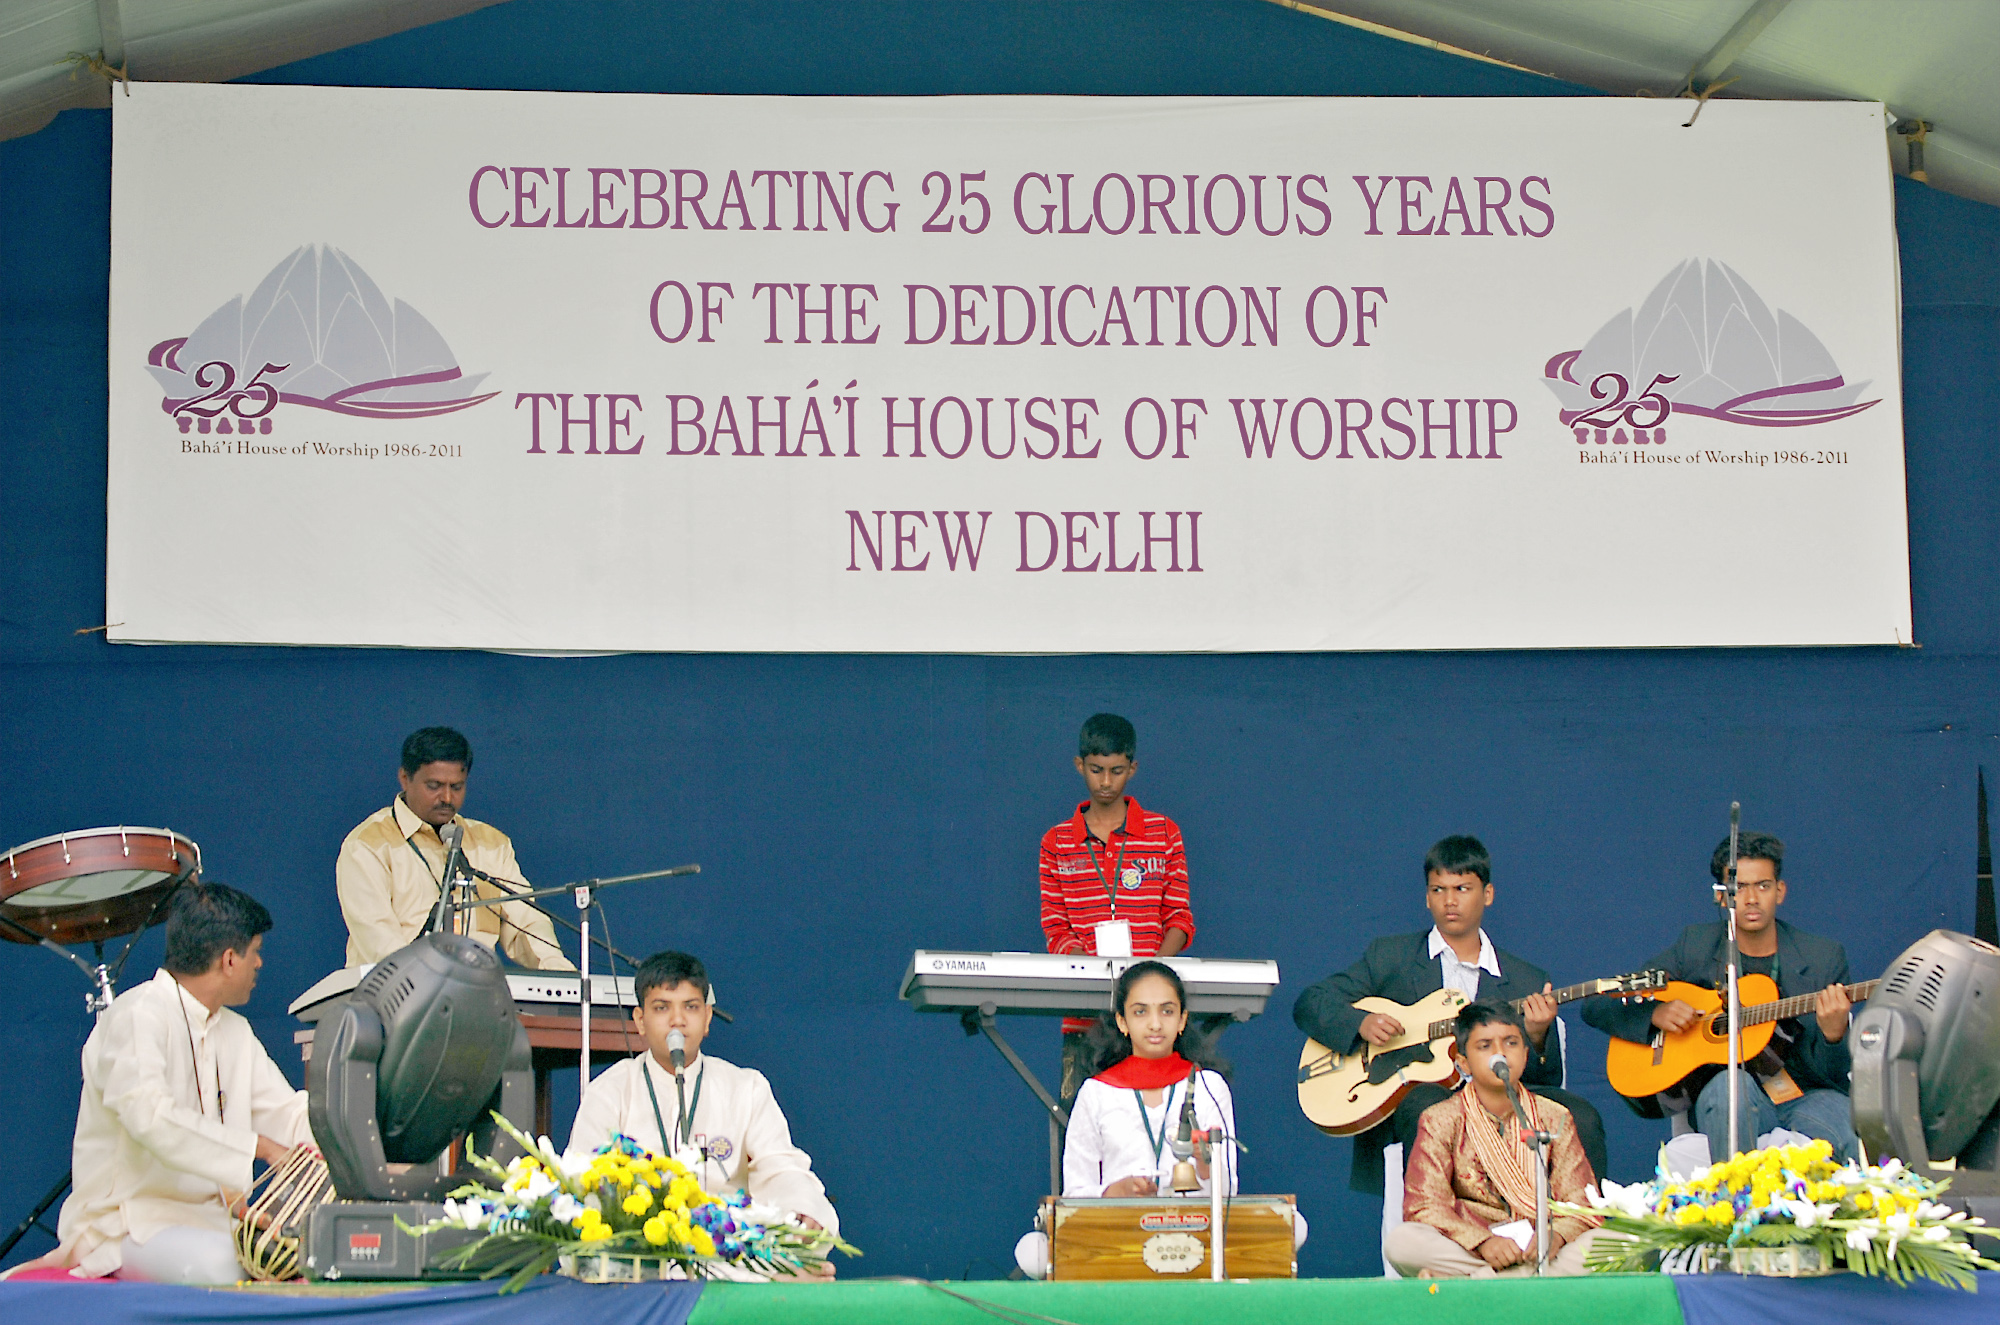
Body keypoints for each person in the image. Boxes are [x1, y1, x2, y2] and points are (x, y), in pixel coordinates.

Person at [1292, 835, 1608, 1199]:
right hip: (1420, 1101)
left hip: (1498, 1102)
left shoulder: (1526, 979)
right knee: (1429, 1107)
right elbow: (1311, 1002)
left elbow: (1545, 1080)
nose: (1450, 901)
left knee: (1580, 1114)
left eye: (1462, 888)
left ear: (1487, 894)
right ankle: (1435, 1225)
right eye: (1438, 890)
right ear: (1427, 898)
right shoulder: (1390, 957)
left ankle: (1583, 1228)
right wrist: (1360, 1024)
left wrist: (1536, 1036)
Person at [35, 884, 314, 1283]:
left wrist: (344, 1147)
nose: (260, 964)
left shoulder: (234, 1031)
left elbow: (286, 1115)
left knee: (300, 1256)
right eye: (256, 951)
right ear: (230, 960)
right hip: (127, 1223)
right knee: (229, 1266)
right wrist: (260, 1147)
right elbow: (150, 1117)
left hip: (210, 1223)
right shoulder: (137, 1014)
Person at [1015, 961, 1304, 1278]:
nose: (1155, 1024)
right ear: (1122, 1022)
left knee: (1294, 1226)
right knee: (1032, 1251)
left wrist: (1206, 1165)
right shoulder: (1095, 1093)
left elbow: (1229, 1192)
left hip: (1196, 1232)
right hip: (1116, 1232)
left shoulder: (1208, 1085)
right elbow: (1073, 1196)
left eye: (1167, 1011)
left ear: (1182, 1020)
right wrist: (1117, 1191)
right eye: (1141, 1012)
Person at [1581, 831, 1856, 1162]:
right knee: (1731, 1090)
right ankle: (1738, 1207)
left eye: (1763, 885)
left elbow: (1835, 1075)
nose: (1751, 898)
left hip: (1802, 1094)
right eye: (1738, 888)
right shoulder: (1694, 947)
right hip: (1726, 1095)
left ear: (1780, 892)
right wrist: (1654, 1014)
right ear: (1721, 897)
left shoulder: (1824, 957)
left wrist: (1834, 1034)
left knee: (1843, 1120)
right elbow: (1598, 1000)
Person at [566, 951, 838, 1246]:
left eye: (691, 1007)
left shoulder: (746, 1088)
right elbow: (581, 1180)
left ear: (707, 1018)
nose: (677, 1020)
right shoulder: (610, 1091)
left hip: (726, 1251)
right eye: (661, 1008)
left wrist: (801, 1211)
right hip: (638, 1256)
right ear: (640, 1021)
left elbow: (780, 1169)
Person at [1041, 713, 1195, 1107]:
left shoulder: (1164, 833)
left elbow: (1179, 918)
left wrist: (1150, 974)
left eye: (1116, 770)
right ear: (1080, 766)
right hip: (1085, 1020)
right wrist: (1091, 968)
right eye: (1096, 770)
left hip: (1153, 1020)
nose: (1106, 782)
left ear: (1133, 768)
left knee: (1161, 1129)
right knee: (1082, 1128)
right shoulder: (1056, 842)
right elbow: (1056, 928)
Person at [1385, 1002, 1604, 1278]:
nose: (1500, 1054)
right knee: (1403, 1243)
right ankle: (1530, 1280)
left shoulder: (1554, 1116)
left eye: (1511, 1043)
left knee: (1622, 1242)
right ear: (1463, 1062)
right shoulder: (1440, 1119)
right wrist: (1483, 1242)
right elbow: (1425, 1206)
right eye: (1485, 1045)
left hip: (1543, 1248)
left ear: (1525, 1054)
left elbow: (1580, 1203)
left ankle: (1488, 1282)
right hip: (1474, 1249)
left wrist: (1555, 1236)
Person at [335, 726, 571, 969]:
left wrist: (560, 975)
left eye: (457, 787)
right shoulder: (368, 844)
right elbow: (379, 942)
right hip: (391, 997)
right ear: (405, 779)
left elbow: (526, 924)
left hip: (474, 995)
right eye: (434, 786)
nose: (447, 798)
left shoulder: (490, 845)